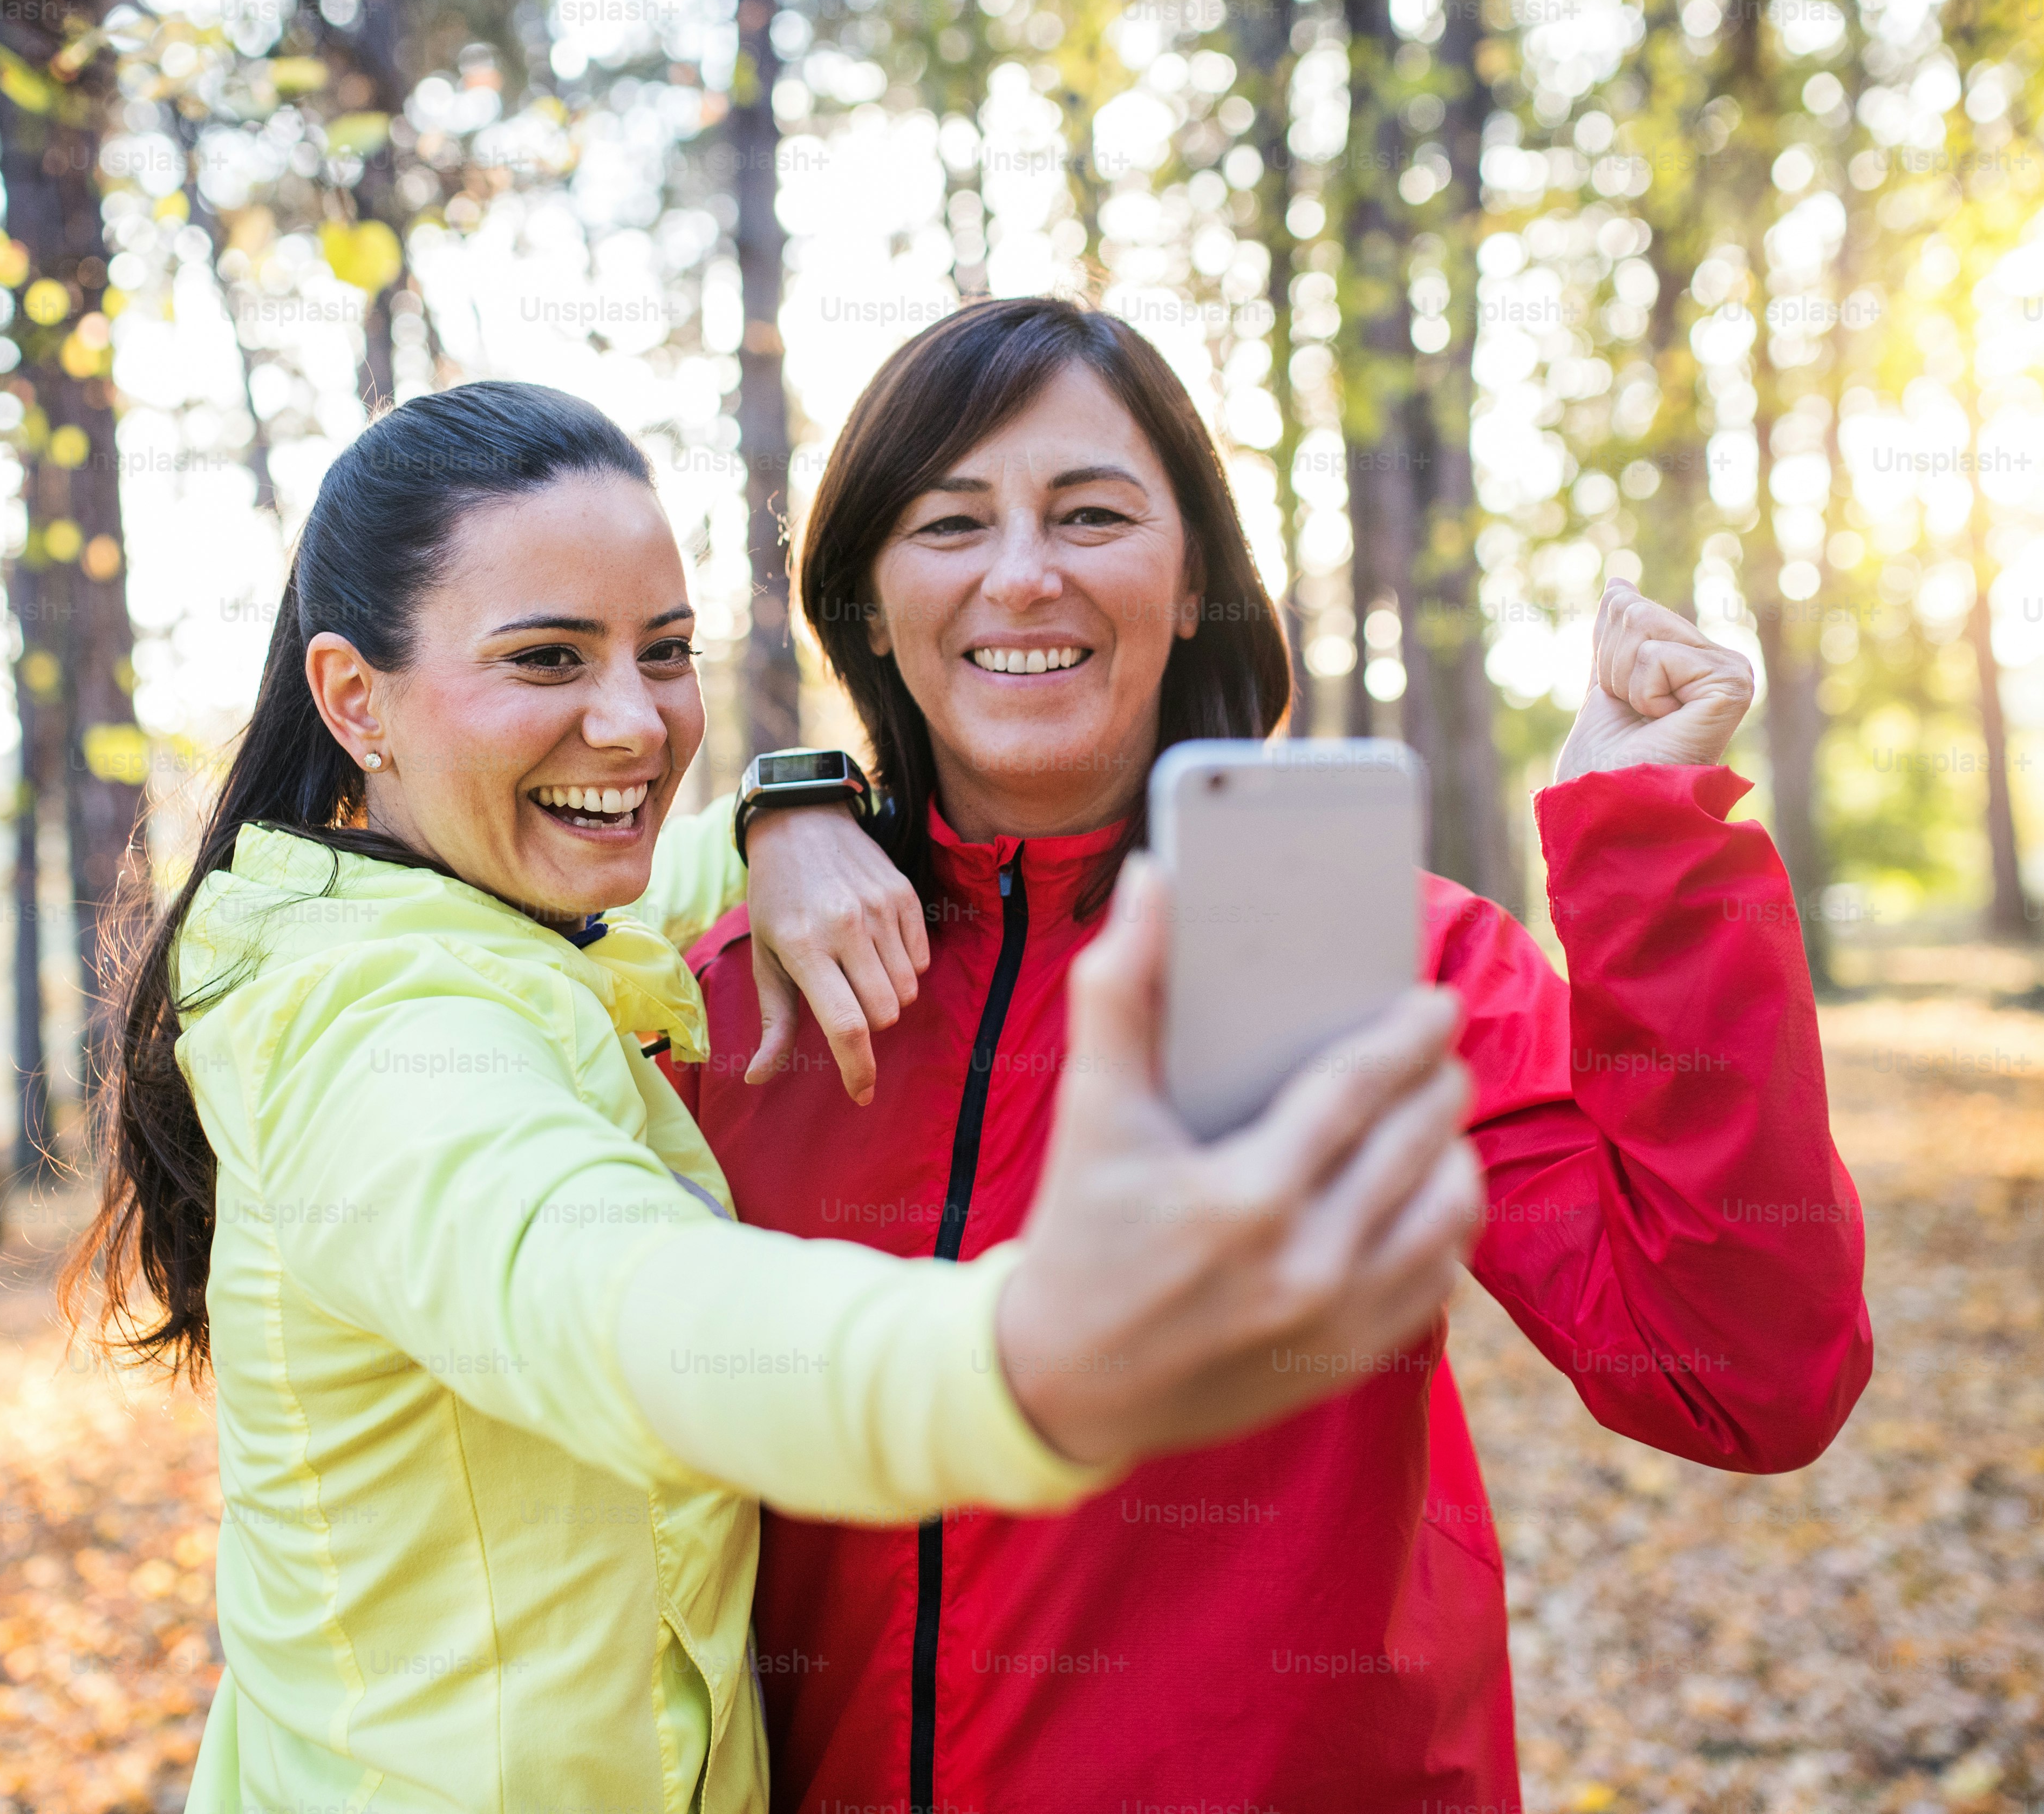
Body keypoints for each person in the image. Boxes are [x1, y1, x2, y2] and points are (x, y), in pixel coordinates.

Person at [66, 379, 1488, 1814]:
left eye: (664, 651)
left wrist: (790, 808)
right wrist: (1029, 1354)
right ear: (353, 697)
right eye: (548, 659)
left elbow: (678, 862)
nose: (632, 724)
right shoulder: (371, 1030)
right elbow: (612, 1301)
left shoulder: (508, 910)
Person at [686, 298, 1876, 1812]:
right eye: (949, 522)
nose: (1023, 573)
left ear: (1193, 590)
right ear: (861, 599)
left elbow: (1744, 1378)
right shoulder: (735, 997)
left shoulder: (1387, 950)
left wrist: (1645, 843)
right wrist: (782, 806)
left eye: (1093, 513)